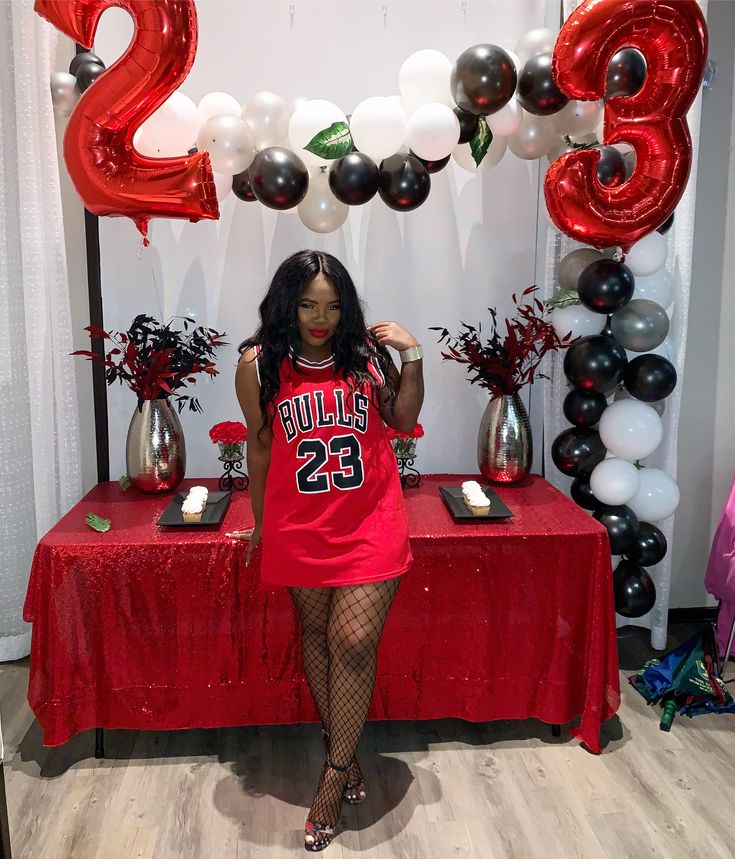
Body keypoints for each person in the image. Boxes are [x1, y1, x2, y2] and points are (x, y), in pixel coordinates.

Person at [226, 250, 424, 851]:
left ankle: (333, 777)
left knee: (353, 642)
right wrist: (261, 523)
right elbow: (260, 450)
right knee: (315, 639)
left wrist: (412, 354)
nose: (321, 317)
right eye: (309, 304)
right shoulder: (260, 366)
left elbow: (406, 419)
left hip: (370, 522)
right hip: (299, 526)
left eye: (334, 305)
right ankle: (345, 749)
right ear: (288, 303)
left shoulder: (364, 360)